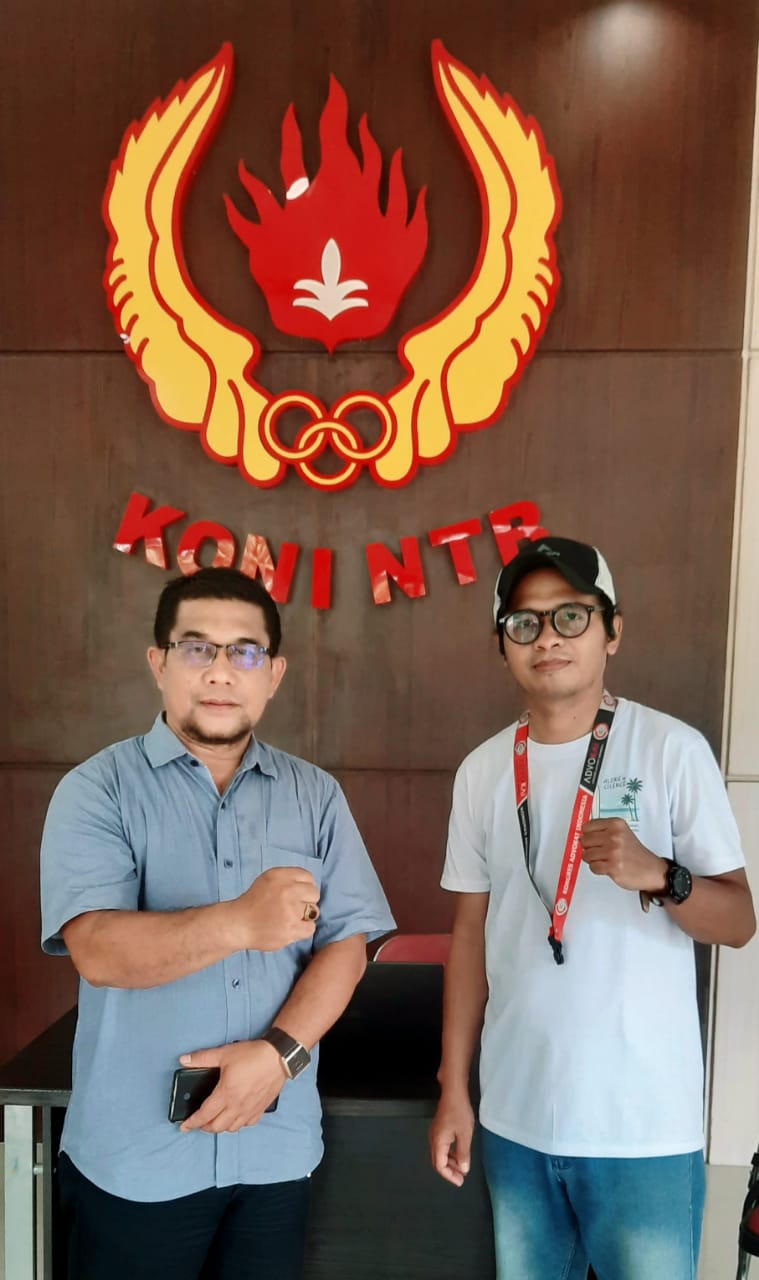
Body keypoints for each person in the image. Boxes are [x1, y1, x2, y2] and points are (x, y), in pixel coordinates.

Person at [40, 567, 395, 1280]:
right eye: (196, 647)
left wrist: (279, 1056)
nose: (221, 671)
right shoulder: (96, 789)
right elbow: (98, 950)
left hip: (274, 1147)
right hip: (138, 1159)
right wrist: (239, 923)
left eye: (245, 651)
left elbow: (348, 944)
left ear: (274, 674)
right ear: (158, 663)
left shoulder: (315, 795)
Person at [429, 536, 755, 1280]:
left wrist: (660, 875)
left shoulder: (671, 751)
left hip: (643, 1130)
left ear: (612, 631)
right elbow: (469, 937)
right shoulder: (483, 771)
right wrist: (454, 1089)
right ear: (503, 647)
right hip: (516, 1121)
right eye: (524, 623)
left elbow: (738, 923)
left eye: (570, 616)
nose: (547, 638)